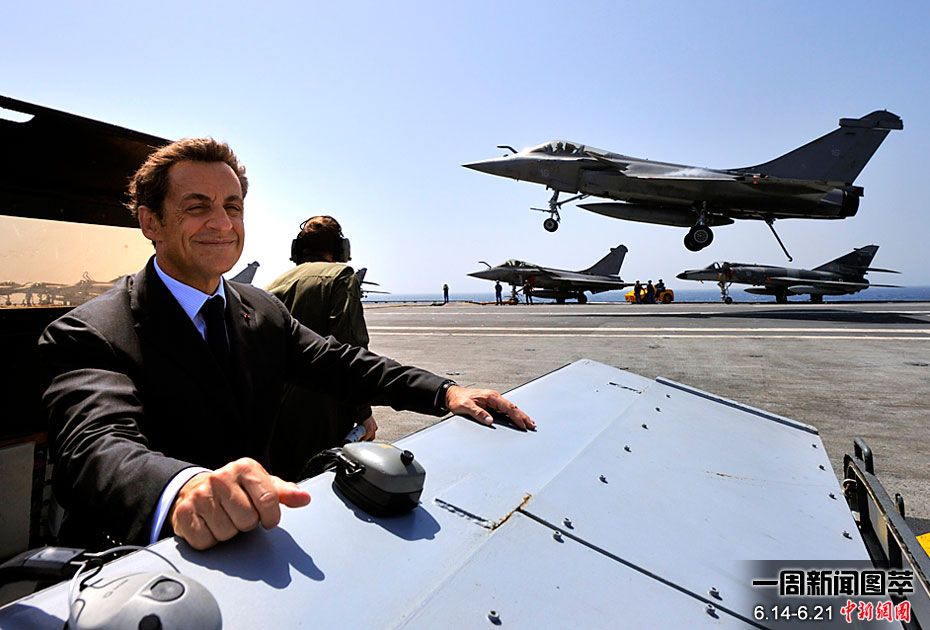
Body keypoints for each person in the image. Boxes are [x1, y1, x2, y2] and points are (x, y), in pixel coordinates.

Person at [39, 138, 534, 552]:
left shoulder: (261, 309)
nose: (222, 223)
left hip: (252, 547)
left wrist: (445, 392)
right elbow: (94, 446)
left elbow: (341, 364)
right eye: (197, 207)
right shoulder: (90, 331)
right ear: (151, 223)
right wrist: (183, 488)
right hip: (139, 563)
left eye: (232, 207)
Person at [264, 216, 375, 482]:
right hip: (323, 411)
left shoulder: (273, 285)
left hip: (273, 411)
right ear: (341, 249)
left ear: (297, 250)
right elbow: (350, 352)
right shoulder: (341, 277)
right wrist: (364, 413)